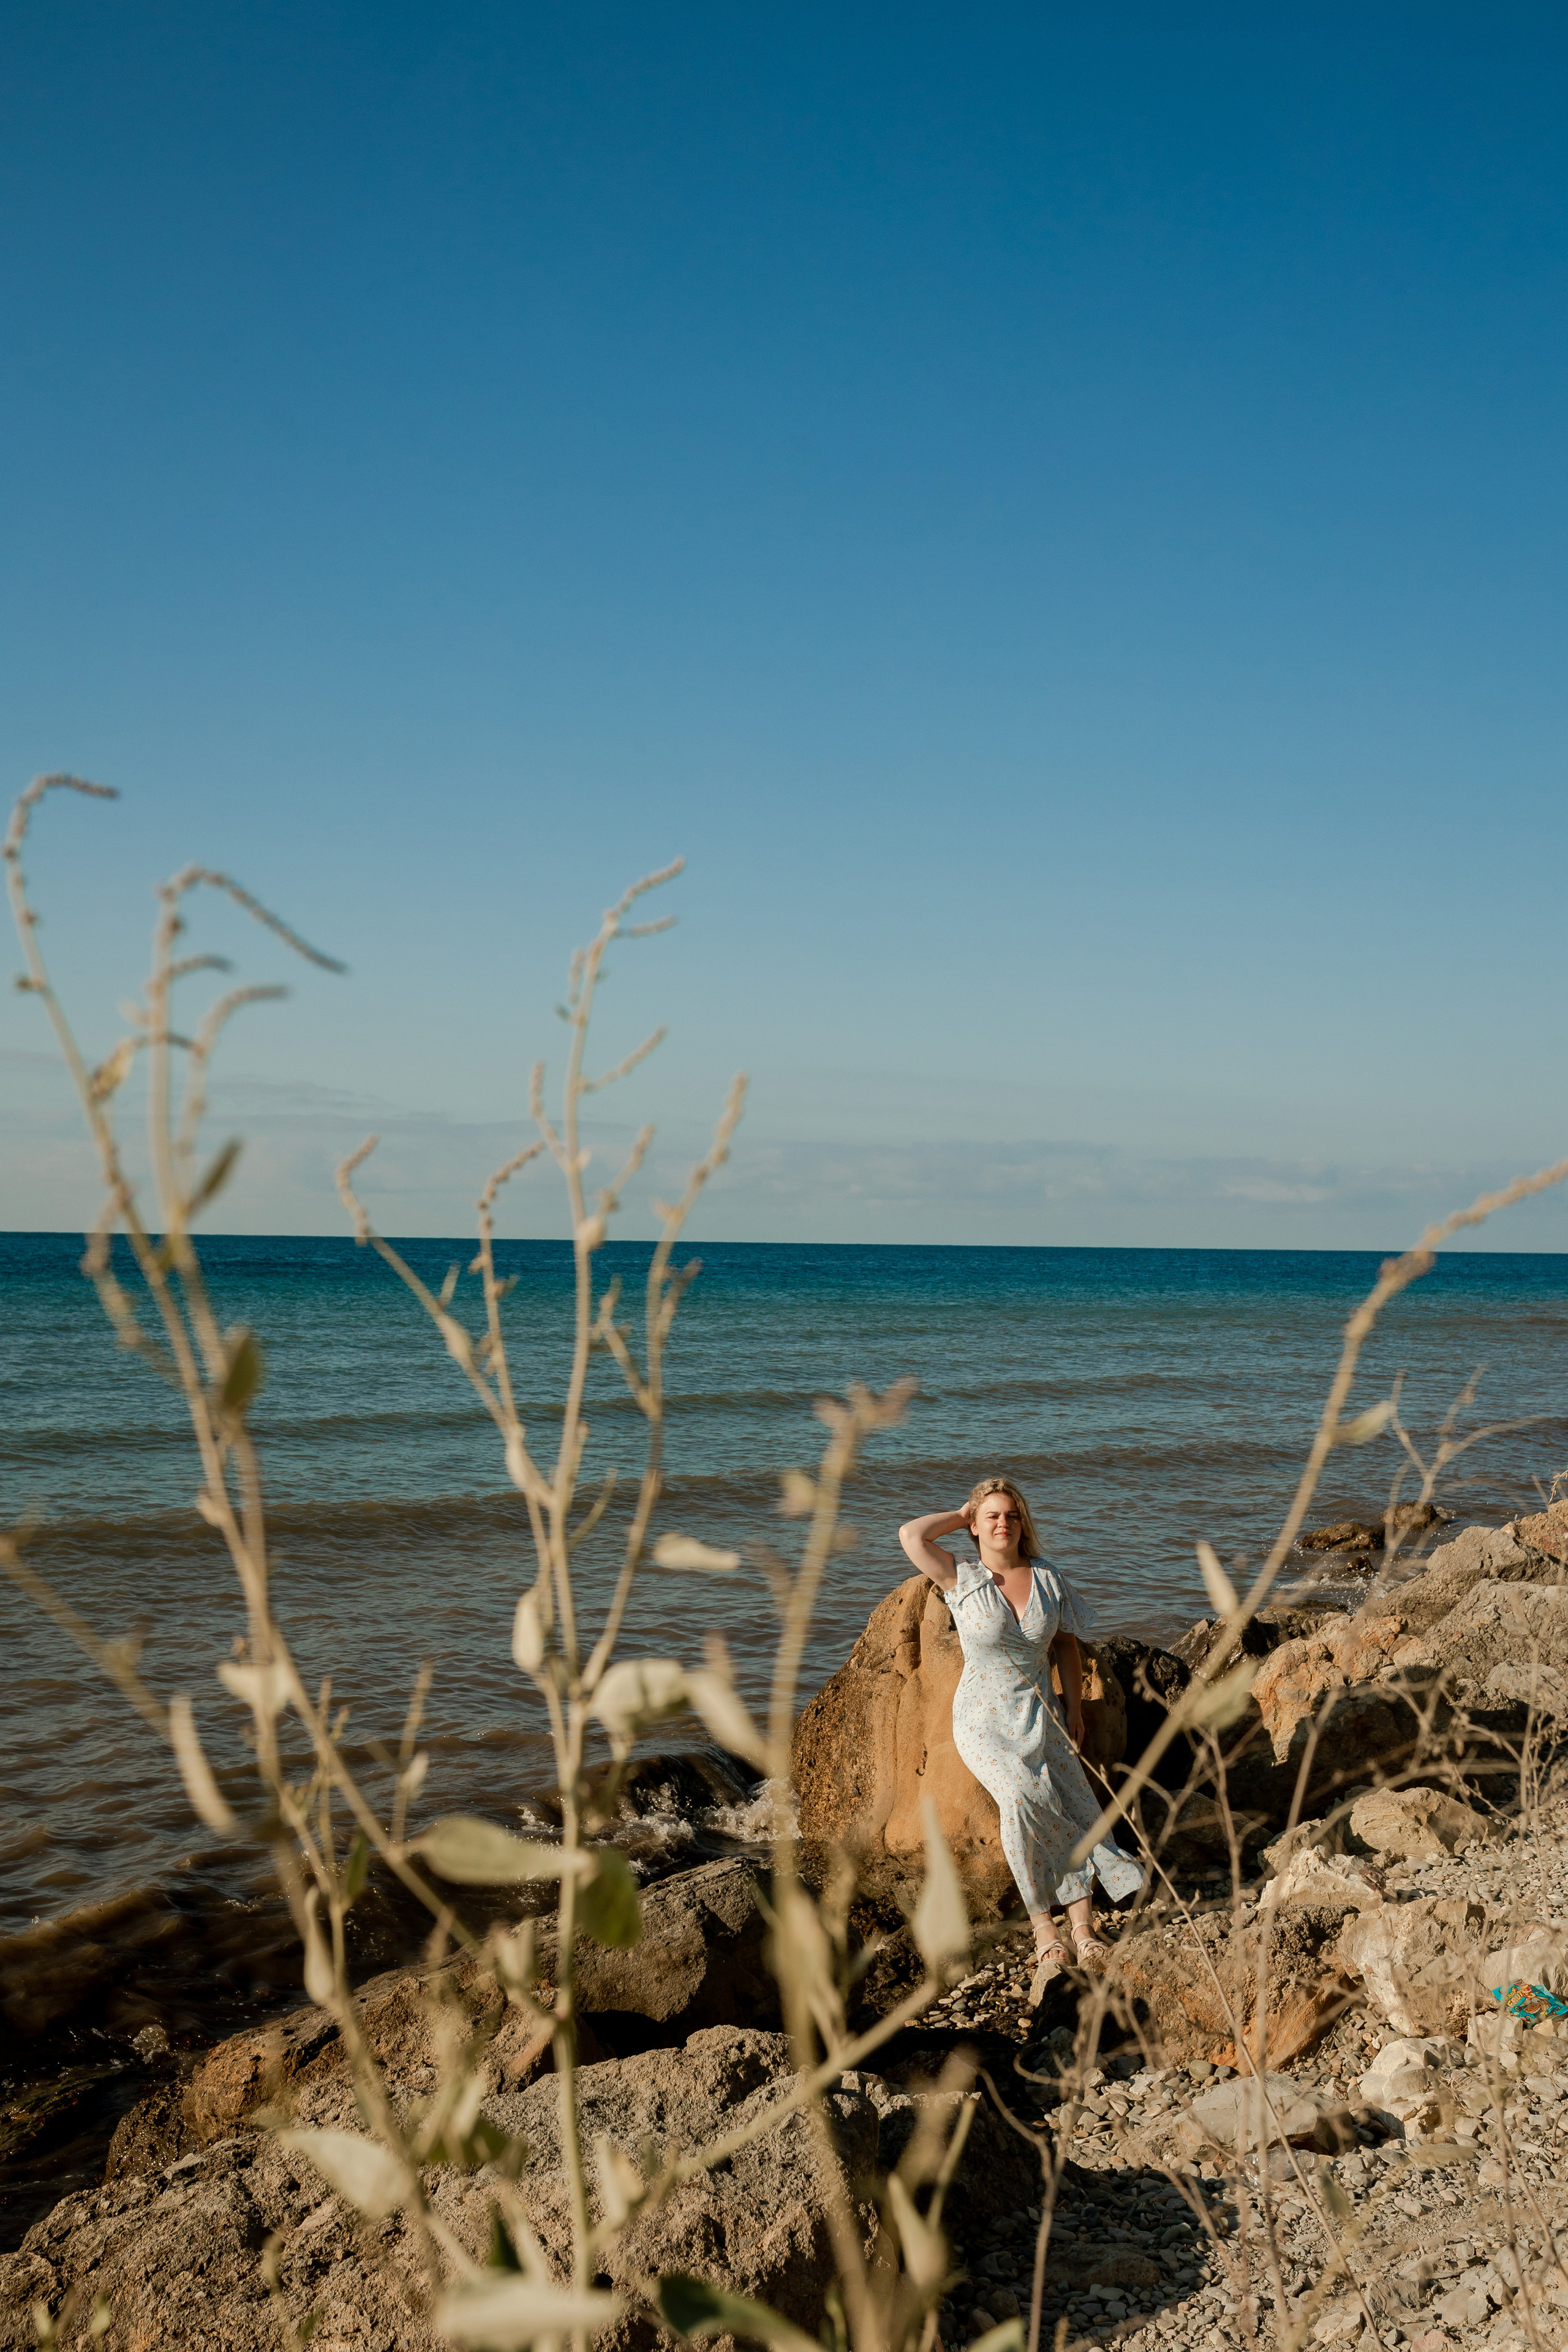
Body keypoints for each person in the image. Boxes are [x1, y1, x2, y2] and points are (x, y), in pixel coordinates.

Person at [898, 1474, 1145, 1977]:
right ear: (976, 1525)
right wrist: (963, 1513)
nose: (1003, 1523)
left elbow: (1066, 1646)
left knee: (1077, 1805)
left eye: (1011, 1515)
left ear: (1023, 1522)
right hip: (982, 1720)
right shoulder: (960, 1577)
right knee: (1021, 1798)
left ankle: (1083, 1929)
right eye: (992, 1516)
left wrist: (1073, 1709)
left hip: (1042, 1714)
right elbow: (911, 1535)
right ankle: (1044, 1927)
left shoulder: (1048, 1578)